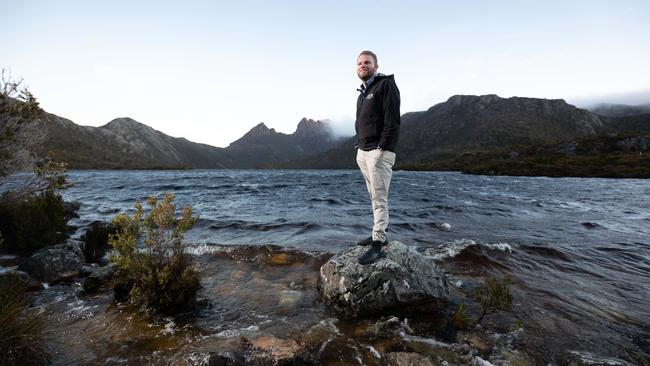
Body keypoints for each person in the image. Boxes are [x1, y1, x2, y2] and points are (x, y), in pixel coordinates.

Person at [354, 50, 401, 265]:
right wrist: (359, 146)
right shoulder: (362, 93)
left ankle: (378, 243)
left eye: (367, 62)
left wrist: (382, 148)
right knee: (373, 196)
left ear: (376, 66)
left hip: (379, 152)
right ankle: (377, 233)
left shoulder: (385, 86)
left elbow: (392, 121)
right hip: (363, 152)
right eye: (360, 63)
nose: (363, 66)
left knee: (379, 198)